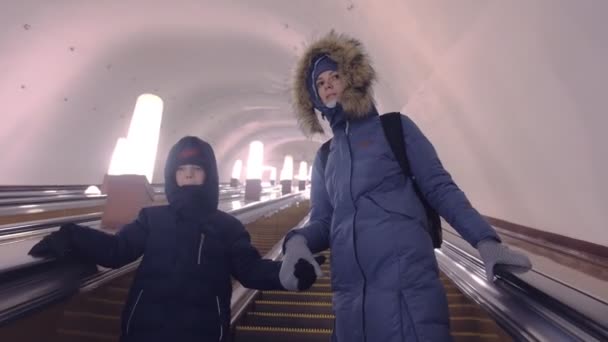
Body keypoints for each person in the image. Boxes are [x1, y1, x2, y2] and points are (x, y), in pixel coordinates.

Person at [278, 31, 532, 342]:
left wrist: (485, 241)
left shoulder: (395, 129)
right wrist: (297, 242)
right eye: (319, 82)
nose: (327, 83)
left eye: (335, 75)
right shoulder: (325, 156)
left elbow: (440, 188)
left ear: (354, 78)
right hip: (350, 309)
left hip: (409, 297)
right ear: (314, 97)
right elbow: (324, 221)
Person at [29, 136, 322, 342]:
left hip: (203, 331)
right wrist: (73, 234)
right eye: (181, 171)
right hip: (144, 329)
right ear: (173, 176)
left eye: (196, 170)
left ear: (208, 176)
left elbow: (249, 270)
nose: (189, 176)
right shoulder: (152, 218)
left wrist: (284, 274)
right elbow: (118, 250)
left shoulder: (227, 226)